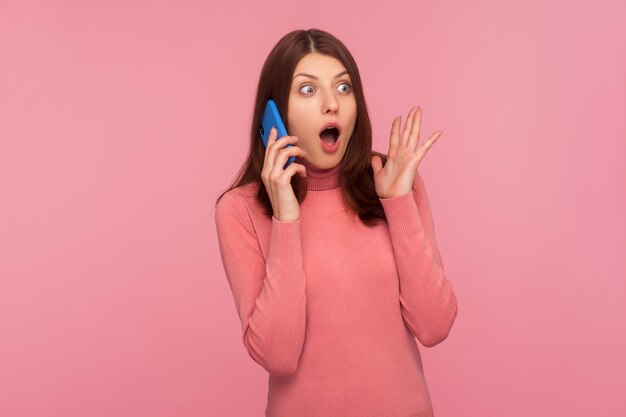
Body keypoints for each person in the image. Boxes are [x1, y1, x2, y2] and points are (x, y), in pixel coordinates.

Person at [214, 28, 458, 417]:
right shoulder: (240, 210)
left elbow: (435, 326)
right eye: (308, 90)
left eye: (343, 88)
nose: (332, 104)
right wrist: (286, 220)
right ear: (274, 113)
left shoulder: (393, 181)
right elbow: (278, 355)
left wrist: (398, 203)